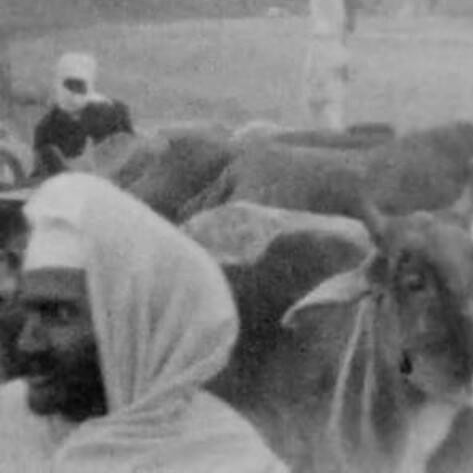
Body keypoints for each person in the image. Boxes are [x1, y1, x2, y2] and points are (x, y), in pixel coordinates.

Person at [0, 173, 287, 472]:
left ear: (133, 327)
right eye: (27, 311)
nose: (26, 342)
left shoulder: (228, 460)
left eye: (59, 315)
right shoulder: (8, 424)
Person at [32, 53, 133, 179]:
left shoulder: (114, 112)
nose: (74, 91)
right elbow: (42, 172)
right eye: (69, 85)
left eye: (79, 85)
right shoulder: (46, 126)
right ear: (59, 84)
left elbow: (128, 150)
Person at [304, 0, 350, 131]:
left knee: (327, 87)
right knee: (322, 86)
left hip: (325, 38)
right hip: (325, 37)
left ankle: (331, 124)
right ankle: (327, 123)